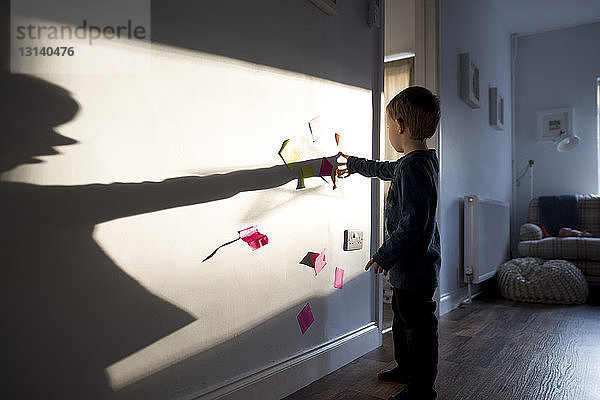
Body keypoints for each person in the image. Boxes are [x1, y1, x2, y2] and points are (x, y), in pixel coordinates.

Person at [336, 86, 441, 400]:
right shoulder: (419, 161)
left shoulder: (413, 166)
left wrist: (385, 253)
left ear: (399, 126)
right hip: (413, 265)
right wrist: (353, 163)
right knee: (401, 316)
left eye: (388, 126)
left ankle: (422, 388)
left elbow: (413, 222)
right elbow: (384, 169)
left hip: (415, 264)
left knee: (419, 326)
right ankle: (405, 368)